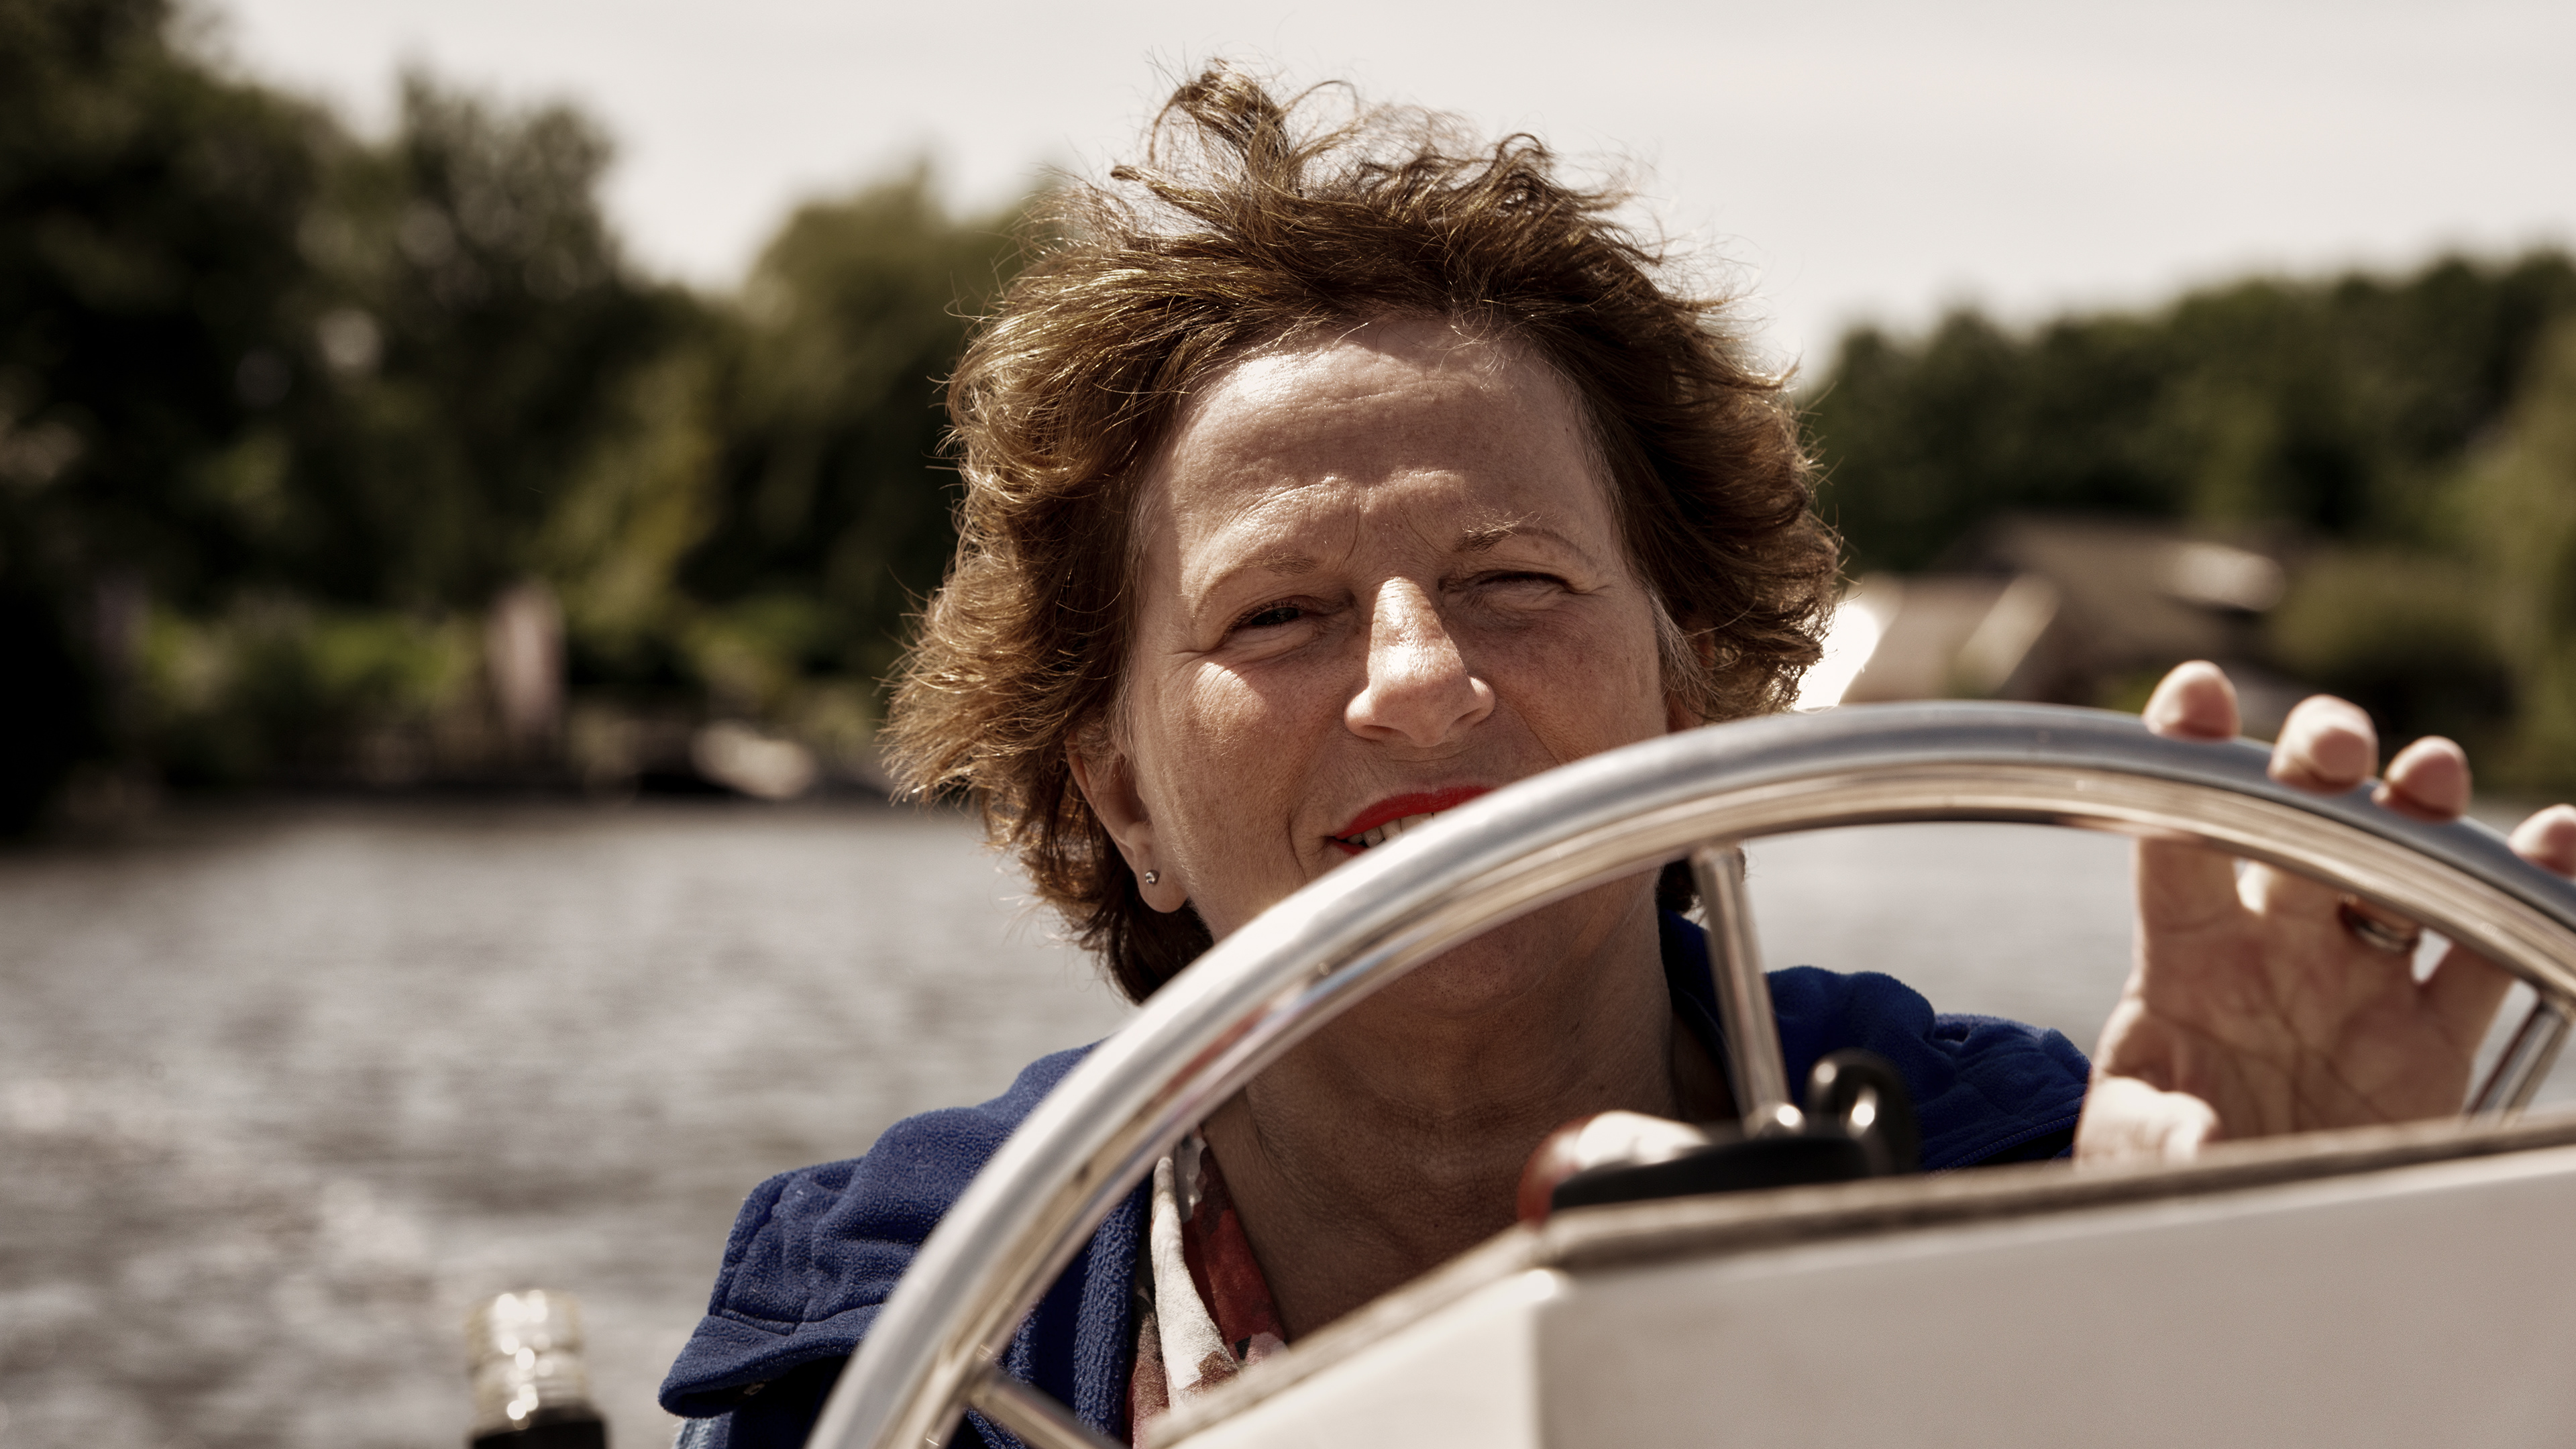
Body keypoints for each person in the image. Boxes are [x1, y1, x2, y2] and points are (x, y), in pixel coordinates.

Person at [659, 67, 2576, 1448]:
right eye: (1280, 615)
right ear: (1123, 798)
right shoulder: (887, 1344)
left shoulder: (2072, 1188)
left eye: (1513, 581)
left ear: (1694, 692)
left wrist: (2314, 1321)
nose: (1419, 683)